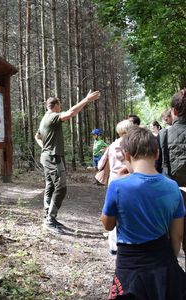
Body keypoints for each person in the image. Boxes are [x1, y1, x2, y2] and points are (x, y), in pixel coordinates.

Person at [101, 126, 186, 299]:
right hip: (162, 261)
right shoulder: (172, 188)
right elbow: (177, 235)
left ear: (126, 156)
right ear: (157, 154)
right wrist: (170, 260)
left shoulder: (117, 186)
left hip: (129, 265)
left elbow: (108, 225)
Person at [35, 90, 101, 234]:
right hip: (52, 157)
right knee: (61, 188)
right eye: (60, 105)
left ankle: (48, 216)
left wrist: (45, 148)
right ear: (56, 105)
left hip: (47, 156)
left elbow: (37, 136)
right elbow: (70, 113)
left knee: (50, 186)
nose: (61, 108)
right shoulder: (52, 116)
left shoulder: (44, 118)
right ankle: (50, 220)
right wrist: (86, 100)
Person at [158, 88, 186, 264]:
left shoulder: (163, 134)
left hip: (171, 197)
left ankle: (172, 282)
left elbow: (155, 168)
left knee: (170, 244)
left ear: (174, 112)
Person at [98, 119, 134, 255]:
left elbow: (101, 163)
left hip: (113, 181)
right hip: (127, 179)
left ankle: (113, 246)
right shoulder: (129, 145)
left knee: (113, 211)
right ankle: (125, 241)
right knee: (126, 211)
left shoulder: (112, 145)